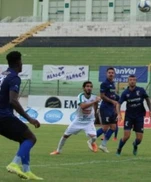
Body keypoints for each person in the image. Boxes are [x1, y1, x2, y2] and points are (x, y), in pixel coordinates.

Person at [0, 51, 43, 180]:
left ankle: (27, 170)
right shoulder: (14, 77)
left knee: (23, 139)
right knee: (31, 138)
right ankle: (14, 163)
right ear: (19, 62)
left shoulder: (3, 74)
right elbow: (13, 100)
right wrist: (29, 118)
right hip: (4, 116)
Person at [50, 81, 101, 155]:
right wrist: (94, 102)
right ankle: (58, 150)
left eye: (90, 86)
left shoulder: (94, 97)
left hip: (88, 121)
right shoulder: (80, 96)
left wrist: (94, 113)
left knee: (94, 138)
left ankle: (90, 142)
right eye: (87, 86)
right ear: (84, 88)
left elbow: (96, 106)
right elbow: (83, 106)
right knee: (65, 135)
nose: (89, 88)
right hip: (78, 120)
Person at [116, 75, 151, 156]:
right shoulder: (125, 93)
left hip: (139, 116)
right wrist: (119, 114)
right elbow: (118, 104)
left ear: (136, 81)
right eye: (130, 80)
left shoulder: (141, 90)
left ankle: (135, 144)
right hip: (129, 116)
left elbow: (147, 100)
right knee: (126, 136)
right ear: (128, 81)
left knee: (139, 139)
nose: (132, 81)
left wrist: (150, 111)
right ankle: (119, 149)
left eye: (133, 80)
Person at [96, 67, 121, 153]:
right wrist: (112, 101)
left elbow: (113, 95)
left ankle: (103, 145)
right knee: (105, 128)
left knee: (113, 127)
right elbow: (102, 96)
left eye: (112, 73)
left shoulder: (113, 84)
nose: (111, 74)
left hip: (111, 108)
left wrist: (119, 99)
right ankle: (91, 140)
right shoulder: (104, 84)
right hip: (105, 107)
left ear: (114, 74)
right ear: (106, 74)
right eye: (109, 72)